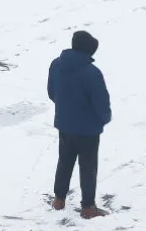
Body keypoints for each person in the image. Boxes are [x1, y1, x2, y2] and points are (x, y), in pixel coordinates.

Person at [46, 30, 111, 219]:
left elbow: (52, 92)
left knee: (64, 161)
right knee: (88, 166)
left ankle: (59, 200)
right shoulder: (92, 73)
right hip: (88, 129)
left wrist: (65, 107)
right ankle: (88, 207)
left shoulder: (56, 65)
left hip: (65, 123)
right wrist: (104, 118)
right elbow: (101, 103)